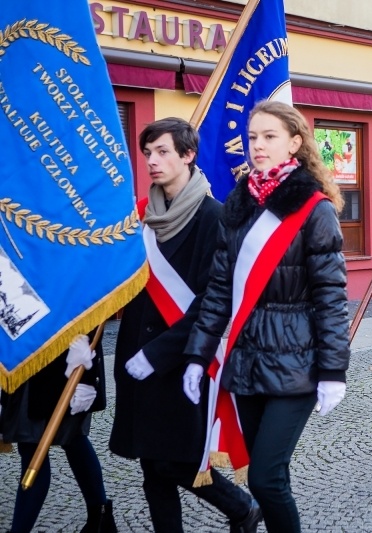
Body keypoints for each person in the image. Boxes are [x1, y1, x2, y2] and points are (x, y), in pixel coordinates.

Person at [184, 101, 350, 533]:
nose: (257, 145)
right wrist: (198, 354)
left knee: (264, 477)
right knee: (269, 477)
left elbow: (331, 297)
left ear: (294, 143)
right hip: (246, 359)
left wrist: (333, 370)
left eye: (269, 136)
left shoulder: (315, 210)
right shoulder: (237, 204)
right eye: (253, 137)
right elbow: (220, 288)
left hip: (297, 361)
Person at [109, 118, 260, 533]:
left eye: (161, 152)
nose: (152, 162)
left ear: (188, 155)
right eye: (147, 154)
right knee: (150, 466)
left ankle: (241, 507)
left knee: (173, 460)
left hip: (184, 359)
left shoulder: (215, 217)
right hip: (135, 352)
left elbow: (215, 300)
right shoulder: (143, 216)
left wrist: (158, 353)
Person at [0, 331, 117, 533]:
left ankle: (19, 530)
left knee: (35, 447)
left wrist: (87, 376)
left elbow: (91, 308)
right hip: (30, 356)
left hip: (68, 361)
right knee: (72, 441)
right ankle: (101, 518)